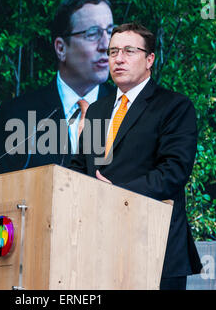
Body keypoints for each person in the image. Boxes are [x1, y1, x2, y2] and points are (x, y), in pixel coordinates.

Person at [69, 22, 202, 290]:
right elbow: (81, 166)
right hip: (99, 248)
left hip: (153, 245)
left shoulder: (174, 106)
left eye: (129, 51)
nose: (118, 59)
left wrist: (116, 193)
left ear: (149, 59)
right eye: (113, 51)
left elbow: (173, 172)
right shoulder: (96, 110)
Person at [0, 0, 115, 177]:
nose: (106, 45)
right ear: (61, 48)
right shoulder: (17, 116)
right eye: (93, 34)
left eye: (110, 32)